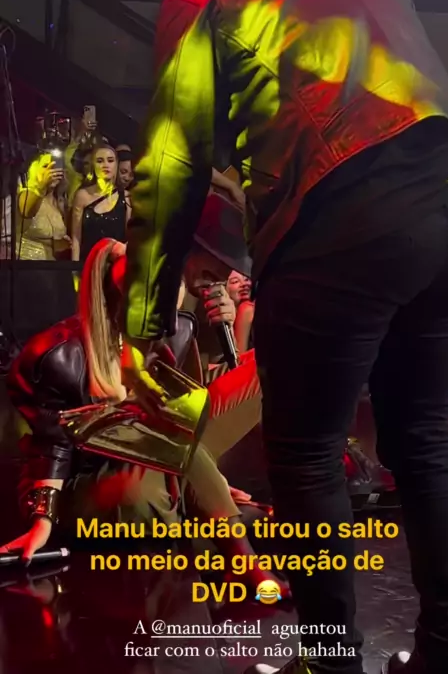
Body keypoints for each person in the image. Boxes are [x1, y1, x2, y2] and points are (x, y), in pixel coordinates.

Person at [121, 0, 448, 674]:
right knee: (423, 439)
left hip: (345, 216)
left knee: (306, 452)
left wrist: (145, 318)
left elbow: (174, 160)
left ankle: (329, 663)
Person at [0, 231, 277, 592]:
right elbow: (53, 448)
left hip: (156, 457)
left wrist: (209, 480)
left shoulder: (174, 333)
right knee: (145, 493)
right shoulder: (59, 356)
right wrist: (43, 521)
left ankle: (203, 508)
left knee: (269, 365)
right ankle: (239, 556)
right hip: (87, 479)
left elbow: (181, 418)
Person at [71, 144, 131, 262]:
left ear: (116, 164)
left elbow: (130, 239)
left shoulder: (126, 197)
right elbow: (76, 239)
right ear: (93, 166)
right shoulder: (82, 196)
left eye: (110, 160)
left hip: (115, 265)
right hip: (87, 263)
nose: (105, 165)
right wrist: (74, 269)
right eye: (99, 161)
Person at [16, 152, 71, 260]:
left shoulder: (60, 202)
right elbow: (27, 211)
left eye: (55, 167)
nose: (51, 172)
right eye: (46, 167)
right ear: (34, 169)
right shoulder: (25, 194)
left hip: (51, 265)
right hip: (27, 264)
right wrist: (41, 187)